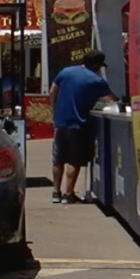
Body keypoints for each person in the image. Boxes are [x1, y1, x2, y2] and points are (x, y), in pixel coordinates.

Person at [49, 49, 118, 204]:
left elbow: (52, 91)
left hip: (60, 122)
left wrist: (54, 112)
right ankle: (68, 194)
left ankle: (56, 192)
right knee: (74, 160)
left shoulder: (65, 72)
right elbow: (111, 100)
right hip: (78, 124)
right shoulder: (96, 81)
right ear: (96, 65)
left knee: (58, 159)